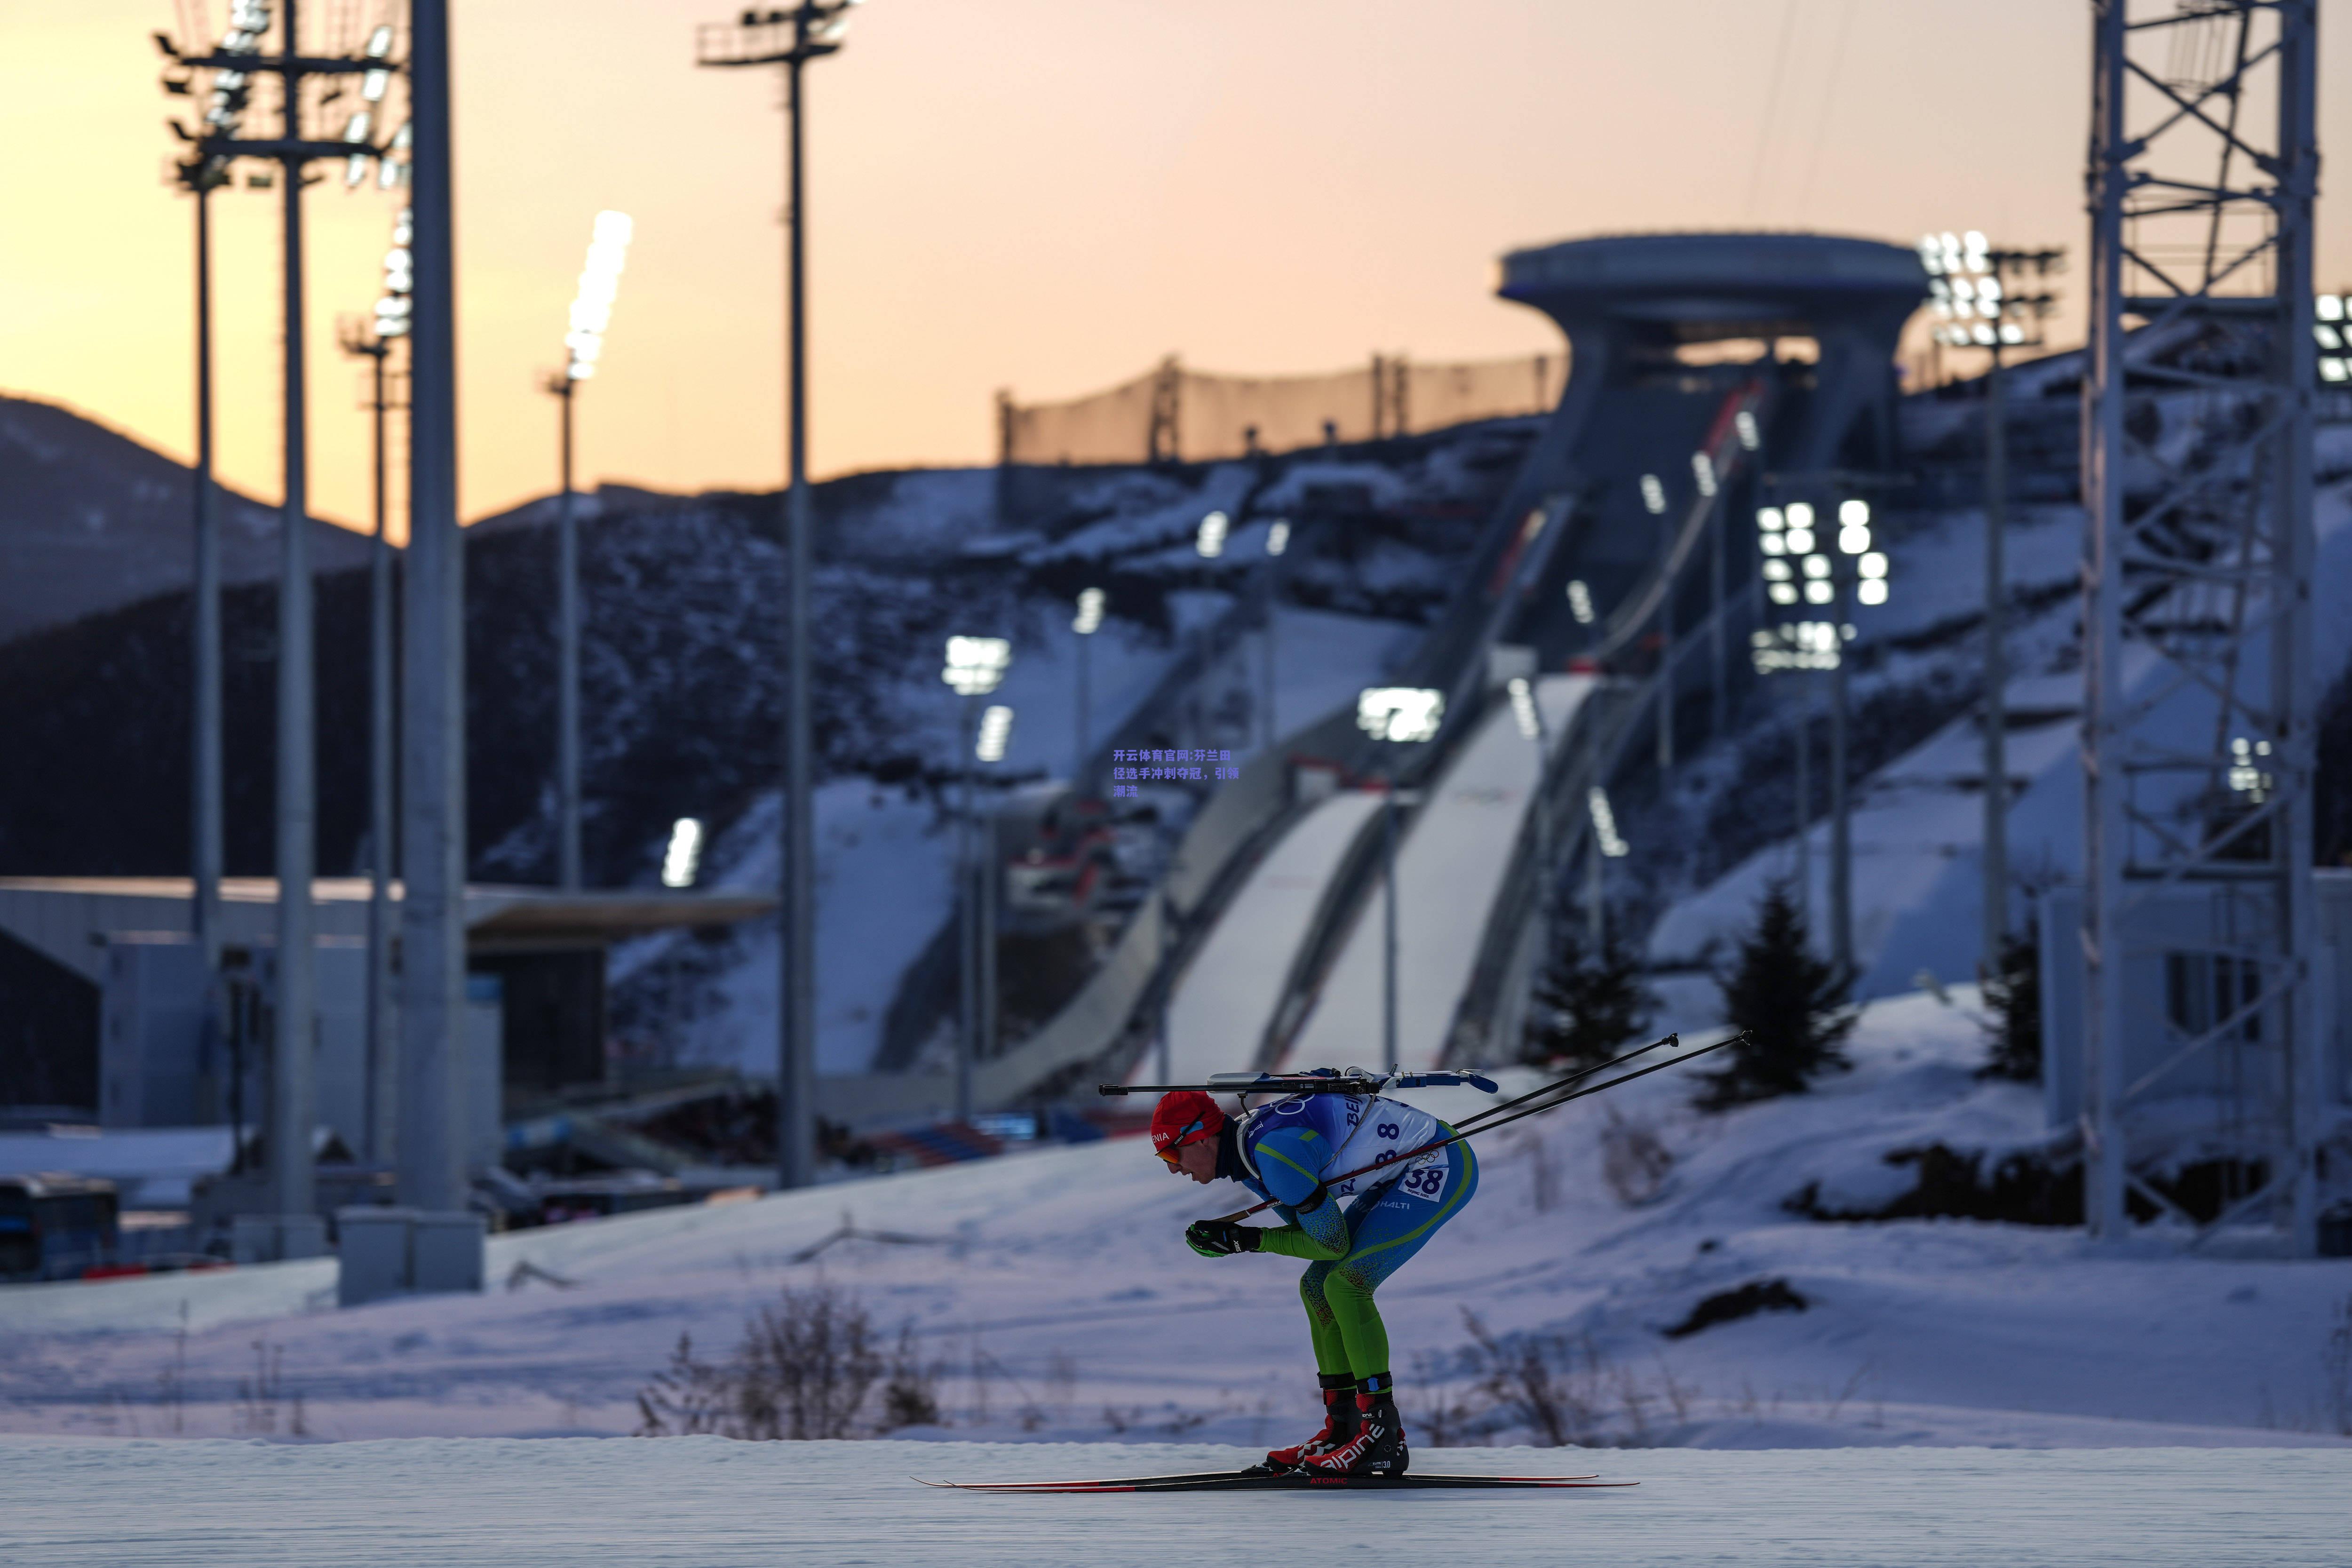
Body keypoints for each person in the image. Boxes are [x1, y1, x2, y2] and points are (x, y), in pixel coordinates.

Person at [1152, 1080, 1479, 1476]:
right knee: (1316, 1288)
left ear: (1202, 1138)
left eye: (1172, 1151)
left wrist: (1247, 1240)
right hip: (1399, 1170)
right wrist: (1243, 1239)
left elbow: (1331, 1243)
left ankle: (1383, 1434)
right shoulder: (1251, 1158)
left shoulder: (1272, 1156)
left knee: (1346, 1284)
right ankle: (1345, 1427)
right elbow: (1319, 1238)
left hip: (1438, 1162)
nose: (1172, 1166)